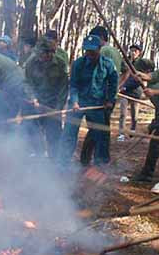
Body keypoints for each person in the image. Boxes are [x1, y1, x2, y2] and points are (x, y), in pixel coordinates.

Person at [61, 34, 118, 167]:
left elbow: (113, 84)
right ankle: (63, 163)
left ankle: (100, 164)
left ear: (99, 49)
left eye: (93, 51)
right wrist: (75, 101)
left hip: (97, 105)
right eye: (87, 50)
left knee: (100, 134)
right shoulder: (78, 64)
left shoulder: (108, 64)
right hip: (78, 103)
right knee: (69, 132)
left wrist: (110, 100)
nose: (90, 54)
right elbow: (73, 85)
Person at [24, 37, 70, 158]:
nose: (39, 56)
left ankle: (54, 160)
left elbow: (63, 89)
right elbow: (27, 83)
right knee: (32, 130)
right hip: (36, 103)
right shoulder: (31, 63)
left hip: (53, 105)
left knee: (54, 135)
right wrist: (33, 97)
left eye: (42, 54)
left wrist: (58, 108)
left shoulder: (60, 64)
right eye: (38, 53)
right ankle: (38, 156)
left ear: (50, 53)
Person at [117, 45, 147, 141]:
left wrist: (125, 87)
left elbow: (138, 80)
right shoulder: (127, 62)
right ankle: (121, 134)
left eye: (135, 51)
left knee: (134, 115)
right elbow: (122, 74)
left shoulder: (141, 63)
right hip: (124, 92)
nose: (133, 53)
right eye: (131, 51)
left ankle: (132, 130)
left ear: (139, 53)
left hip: (135, 92)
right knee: (123, 114)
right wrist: (120, 86)